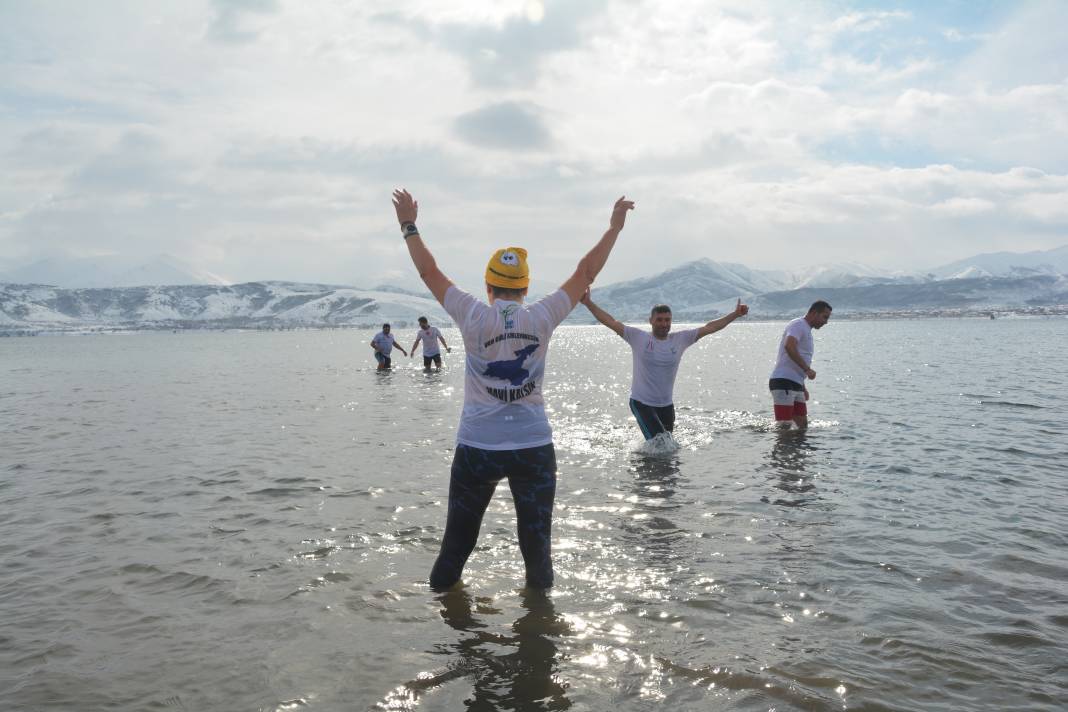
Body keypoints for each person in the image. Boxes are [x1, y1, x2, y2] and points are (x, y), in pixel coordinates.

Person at [391, 187, 634, 590]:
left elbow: (429, 272)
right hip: (532, 448)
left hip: (477, 448)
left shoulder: (472, 314)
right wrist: (614, 229)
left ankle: (442, 624)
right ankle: (539, 625)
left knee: (455, 548)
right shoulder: (542, 315)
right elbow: (585, 272)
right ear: (525, 288)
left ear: (489, 286)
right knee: (537, 554)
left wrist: (408, 225)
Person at [581, 293, 749, 440]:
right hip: (641, 403)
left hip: (666, 405)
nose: (664, 324)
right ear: (651, 321)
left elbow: (710, 327)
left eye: (667, 320)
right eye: (659, 320)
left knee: (668, 448)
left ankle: (647, 464)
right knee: (661, 444)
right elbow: (610, 321)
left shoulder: (680, 339)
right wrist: (588, 303)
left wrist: (735, 315)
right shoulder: (638, 337)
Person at [769, 300, 832, 429]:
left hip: (796, 383)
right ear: (814, 313)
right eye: (825, 317)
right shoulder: (798, 324)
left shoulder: (806, 329)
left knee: (802, 426)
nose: (826, 322)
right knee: (784, 427)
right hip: (783, 381)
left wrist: (802, 386)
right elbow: (789, 346)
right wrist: (807, 369)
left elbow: (798, 357)